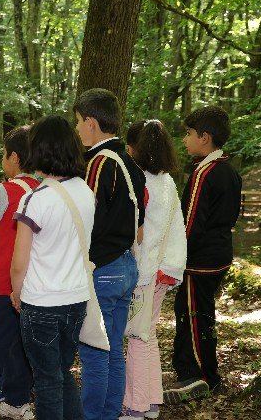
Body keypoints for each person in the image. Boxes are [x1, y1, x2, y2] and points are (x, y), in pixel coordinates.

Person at [10, 115, 95, 420]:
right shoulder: (86, 192)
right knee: (60, 373)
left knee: (47, 382)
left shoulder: (35, 200)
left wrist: (15, 293)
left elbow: (20, 262)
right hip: (76, 299)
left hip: (42, 302)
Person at [73, 88, 146, 420]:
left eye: (77, 122)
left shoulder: (99, 163)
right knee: (114, 349)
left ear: (91, 122)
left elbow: (91, 219)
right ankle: (110, 413)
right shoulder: (131, 162)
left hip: (103, 268)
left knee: (94, 351)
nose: (76, 130)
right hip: (127, 263)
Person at [163, 106, 241, 404]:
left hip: (201, 261)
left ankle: (203, 377)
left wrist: (177, 257)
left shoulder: (204, 173)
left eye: (188, 134)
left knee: (195, 316)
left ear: (204, 137)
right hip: (219, 253)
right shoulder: (228, 168)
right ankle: (188, 369)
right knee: (193, 312)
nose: (185, 140)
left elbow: (191, 223)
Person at [120, 120, 186, 419]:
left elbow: (140, 231)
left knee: (137, 337)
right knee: (147, 336)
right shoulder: (168, 181)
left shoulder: (141, 182)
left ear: (134, 148)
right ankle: (151, 401)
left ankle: (136, 404)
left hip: (146, 270)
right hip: (165, 267)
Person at [0, 126, 37, 420]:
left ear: (13, 157)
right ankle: (17, 400)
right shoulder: (44, 190)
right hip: (33, 286)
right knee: (21, 346)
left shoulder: (3, 191)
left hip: (2, 283)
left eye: (4, 155)